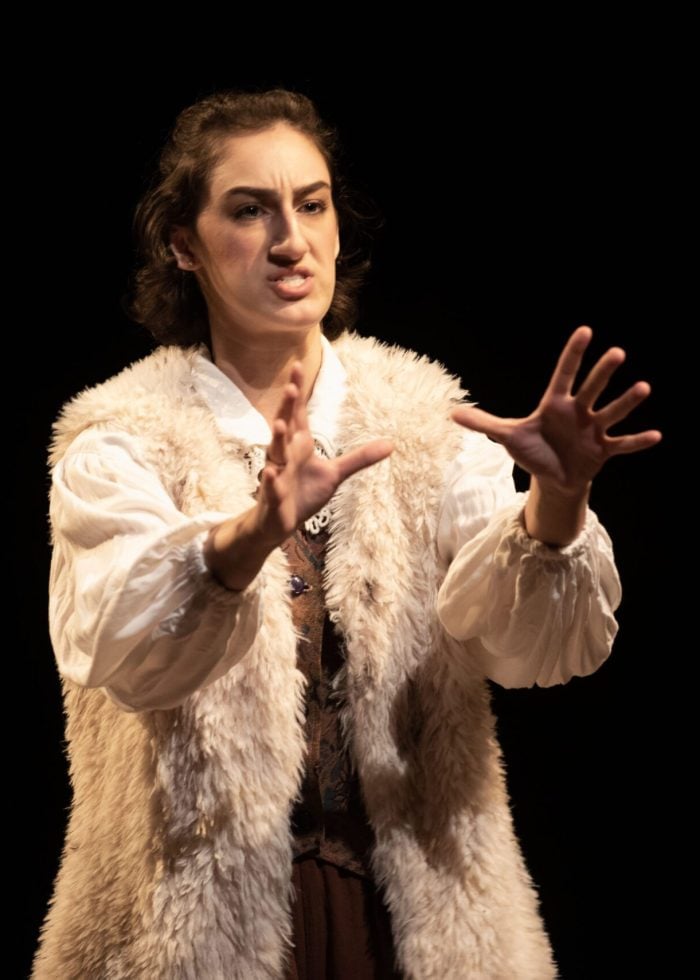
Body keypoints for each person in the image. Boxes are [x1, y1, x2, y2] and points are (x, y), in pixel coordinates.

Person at [32, 87, 661, 980]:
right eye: (250, 210)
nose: (291, 240)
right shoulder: (125, 437)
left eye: (312, 205)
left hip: (409, 921)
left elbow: (527, 650)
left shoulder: (423, 420)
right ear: (184, 244)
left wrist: (555, 504)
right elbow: (120, 648)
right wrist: (247, 536)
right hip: (185, 923)